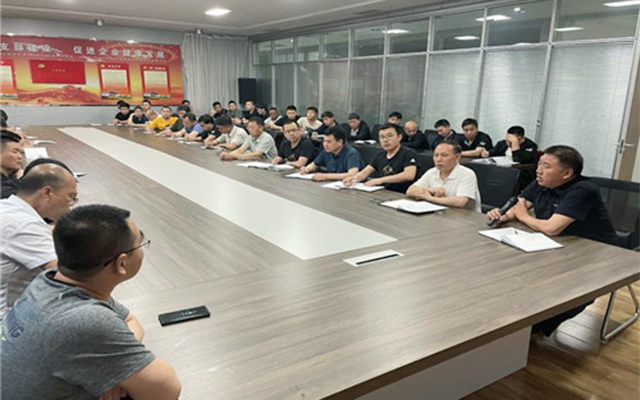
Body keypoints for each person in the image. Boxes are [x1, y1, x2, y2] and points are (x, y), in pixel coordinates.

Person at [1, 204, 182, 400]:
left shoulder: (49, 281)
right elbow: (167, 390)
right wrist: (117, 368)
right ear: (121, 263)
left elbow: (130, 319)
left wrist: (115, 368)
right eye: (140, 243)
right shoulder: (85, 320)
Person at [487, 145, 619, 336]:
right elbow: (520, 206)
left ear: (567, 173)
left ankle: (534, 328)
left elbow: (551, 228)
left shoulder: (583, 190)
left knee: (568, 288)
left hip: (595, 253)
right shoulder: (541, 183)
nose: (539, 171)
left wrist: (523, 216)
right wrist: (502, 216)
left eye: (546, 166)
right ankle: (514, 319)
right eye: (539, 164)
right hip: (559, 246)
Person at [0, 162, 77, 319]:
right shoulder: (25, 225)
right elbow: (70, 276)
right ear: (47, 192)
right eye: (71, 196)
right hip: (6, 322)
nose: (72, 204)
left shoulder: (7, 207)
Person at [406, 141, 481, 212]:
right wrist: (429, 190)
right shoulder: (432, 172)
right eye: (436, 155)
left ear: (457, 157)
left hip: (465, 218)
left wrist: (429, 198)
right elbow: (410, 191)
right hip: (439, 213)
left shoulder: (467, 174)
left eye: (444, 155)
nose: (438, 159)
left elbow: (460, 202)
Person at [344, 123, 417, 193]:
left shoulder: (408, 153)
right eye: (382, 137)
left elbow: (409, 175)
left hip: (400, 193)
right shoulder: (380, 154)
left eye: (389, 136)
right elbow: (364, 173)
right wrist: (353, 178)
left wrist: (380, 180)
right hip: (382, 192)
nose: (385, 140)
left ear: (399, 137)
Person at [1, 131, 24, 199]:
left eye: (21, 152)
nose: (20, 157)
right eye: (15, 152)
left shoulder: (11, 176)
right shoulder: (6, 191)